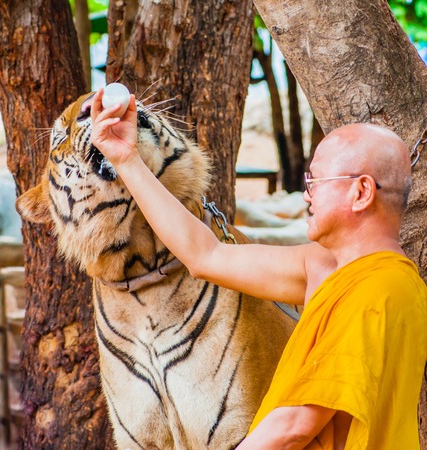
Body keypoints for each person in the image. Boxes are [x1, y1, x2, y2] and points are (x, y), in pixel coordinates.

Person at [90, 89, 427, 449]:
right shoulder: (324, 267)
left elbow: (295, 424)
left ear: (361, 192)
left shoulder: (378, 289)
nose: (306, 195)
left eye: (315, 181)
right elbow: (206, 256)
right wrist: (126, 160)